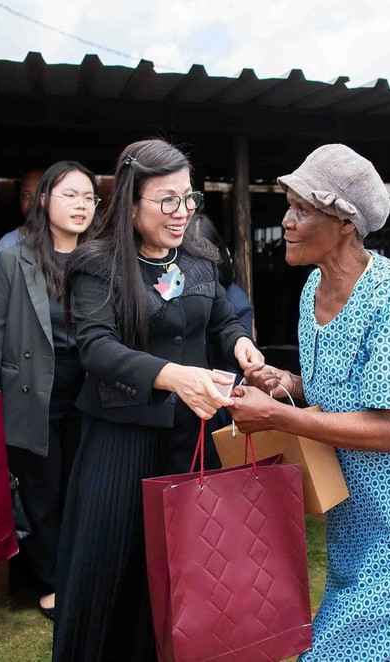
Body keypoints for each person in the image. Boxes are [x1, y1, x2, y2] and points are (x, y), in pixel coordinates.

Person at [228, 143, 390, 661]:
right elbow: (341, 390)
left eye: (301, 209)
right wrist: (287, 384)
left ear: (344, 221)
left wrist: (278, 415)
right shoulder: (312, 288)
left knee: (353, 645)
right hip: (359, 500)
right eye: (287, 206)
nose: (287, 222)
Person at [52, 139, 263, 661]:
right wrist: (173, 376)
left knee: (186, 566)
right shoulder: (96, 265)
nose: (182, 212)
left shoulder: (199, 259)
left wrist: (239, 342)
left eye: (189, 199)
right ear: (130, 202)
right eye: (167, 200)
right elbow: (97, 348)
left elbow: (221, 318)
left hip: (190, 439)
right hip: (120, 441)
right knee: (111, 569)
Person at [0, 161, 99, 621]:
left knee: (80, 489)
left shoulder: (102, 258)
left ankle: (75, 574)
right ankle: (46, 583)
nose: (81, 205)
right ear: (44, 200)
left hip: (89, 389)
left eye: (88, 197)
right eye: (70, 195)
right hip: (31, 391)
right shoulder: (15, 257)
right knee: (39, 491)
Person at [0, 168, 45, 292]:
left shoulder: (66, 241)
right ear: (19, 199)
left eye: (40, 195)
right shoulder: (6, 245)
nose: (33, 203)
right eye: (26, 195)